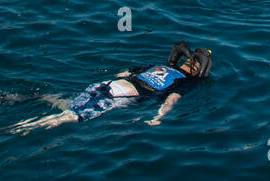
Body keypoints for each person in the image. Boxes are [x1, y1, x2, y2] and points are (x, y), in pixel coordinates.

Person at [12, 42, 213, 132]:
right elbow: (172, 99)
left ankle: (37, 98)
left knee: (70, 106)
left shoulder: (158, 66)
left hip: (108, 84)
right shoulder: (184, 82)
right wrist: (158, 118)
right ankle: (19, 128)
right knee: (70, 117)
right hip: (123, 95)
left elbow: (124, 73)